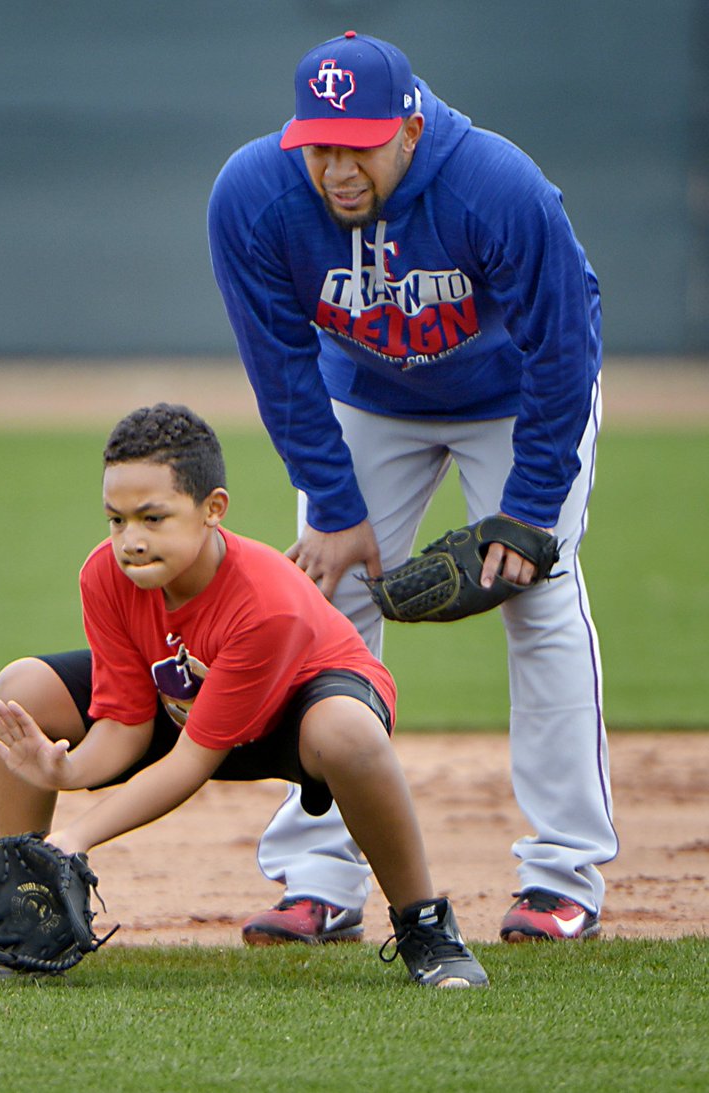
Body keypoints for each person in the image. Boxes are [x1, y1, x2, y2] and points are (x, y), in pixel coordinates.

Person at [207, 30, 616, 946]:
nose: (336, 167)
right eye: (317, 142)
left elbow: (564, 350)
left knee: (538, 595)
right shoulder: (255, 197)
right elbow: (280, 367)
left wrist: (532, 509)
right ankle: (319, 875)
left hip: (514, 398)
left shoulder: (496, 187)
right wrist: (337, 509)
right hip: (369, 396)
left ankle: (563, 874)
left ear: (410, 127)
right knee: (324, 598)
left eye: (358, 142)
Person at [0, 403, 487, 988]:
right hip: (189, 701)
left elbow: (193, 762)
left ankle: (425, 926)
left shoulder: (265, 601)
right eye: (116, 520)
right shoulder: (105, 575)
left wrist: (73, 839)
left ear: (212, 510)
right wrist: (64, 771)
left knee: (346, 733)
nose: (131, 540)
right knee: (22, 687)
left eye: (153, 518)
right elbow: (124, 724)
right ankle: (13, 922)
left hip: (299, 710)